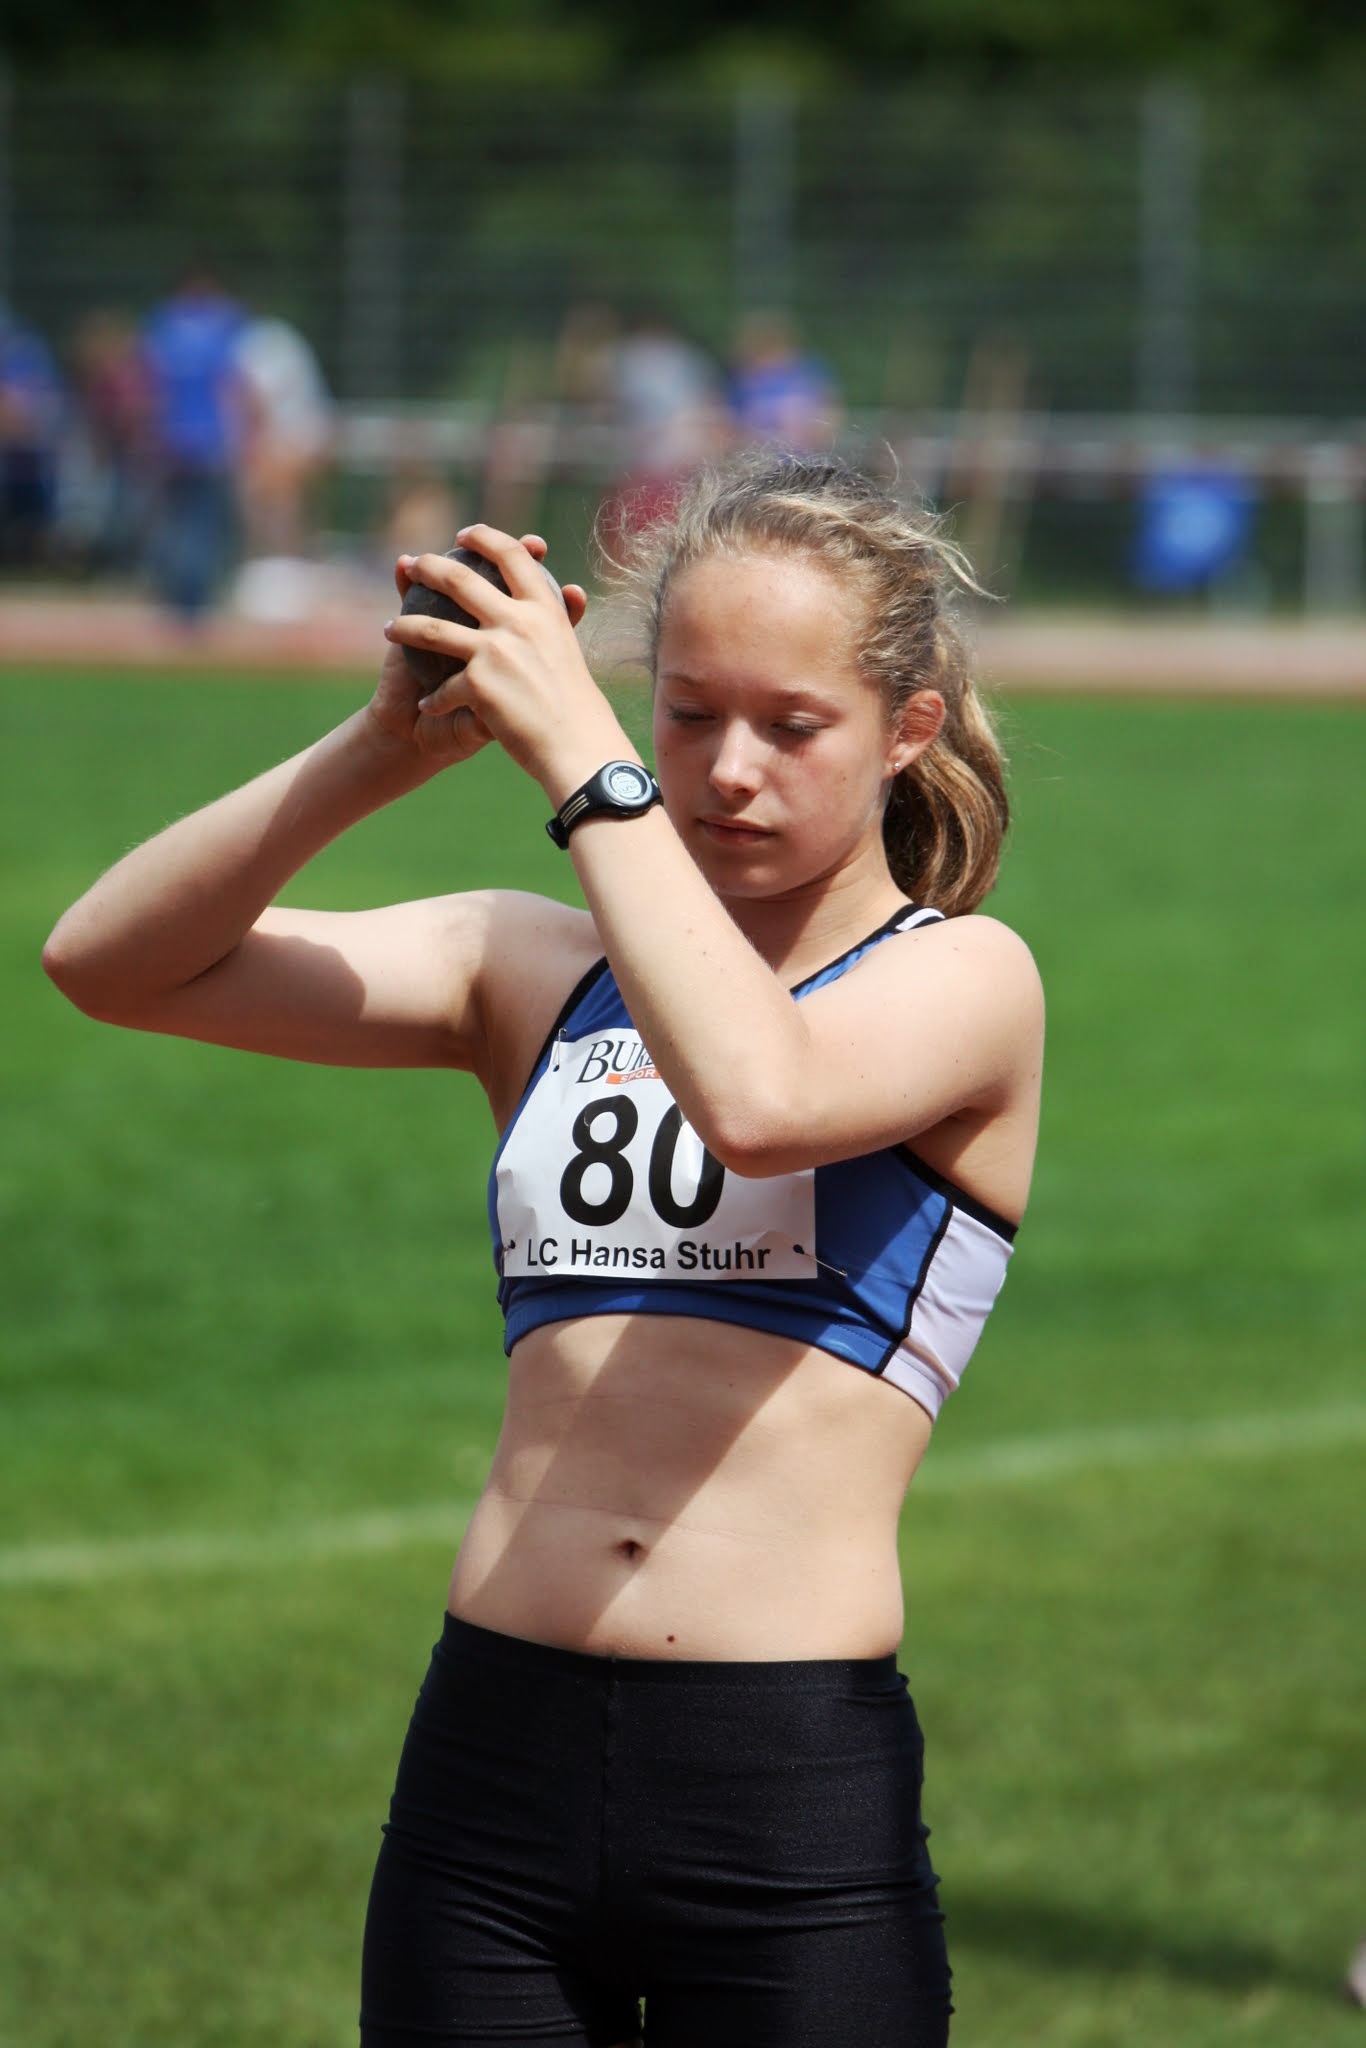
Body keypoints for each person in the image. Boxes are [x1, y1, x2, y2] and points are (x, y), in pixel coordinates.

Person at [42, 451, 1044, 2048]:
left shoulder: (962, 982)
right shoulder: (527, 967)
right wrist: (378, 751)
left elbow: (759, 1100)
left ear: (906, 729)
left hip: (780, 1794)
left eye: (791, 727)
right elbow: (109, 962)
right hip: (488, 1778)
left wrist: (589, 765)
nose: (726, 772)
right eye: (685, 715)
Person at [139, 265, 248, 621]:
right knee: (204, 524)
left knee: (173, 521)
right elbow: (231, 384)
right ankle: (194, 599)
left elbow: (152, 386)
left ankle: (172, 593)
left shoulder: (164, 323)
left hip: (172, 439)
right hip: (209, 440)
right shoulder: (223, 323)